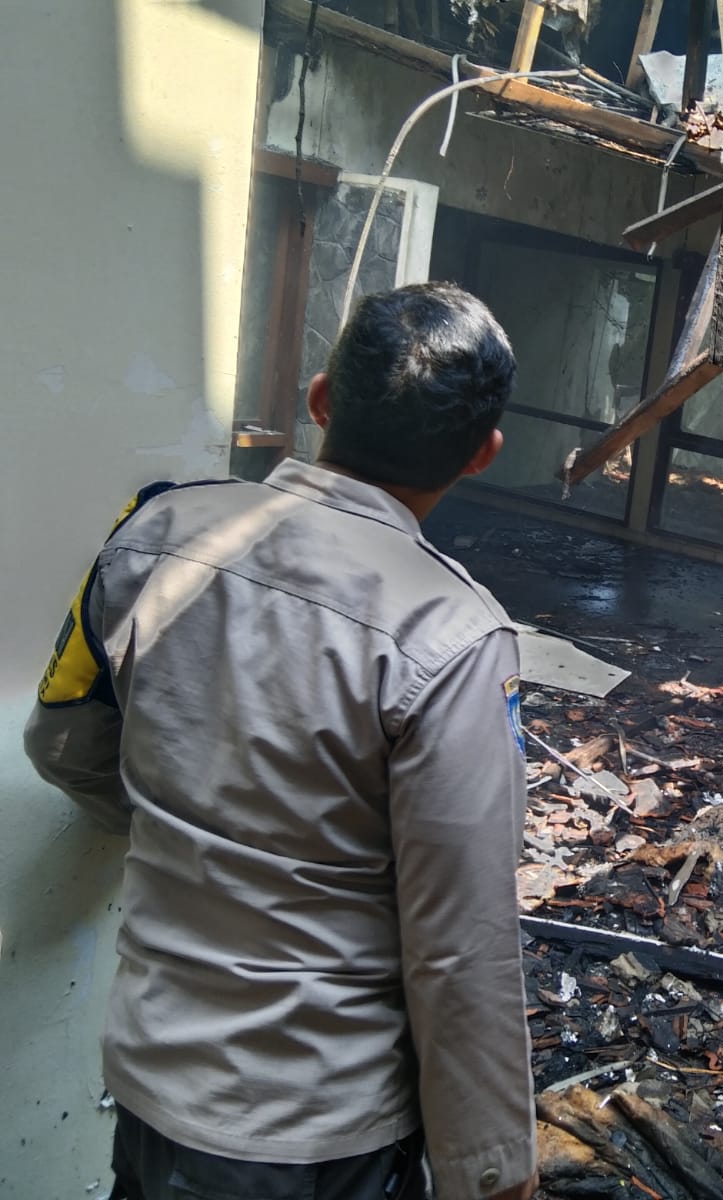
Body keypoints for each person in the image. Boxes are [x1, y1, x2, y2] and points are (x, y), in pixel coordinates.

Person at [25, 282, 539, 1200]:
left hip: (148, 1084)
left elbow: (62, 742)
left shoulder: (149, 533)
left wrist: (186, 836)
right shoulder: (452, 634)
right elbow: (462, 946)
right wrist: (490, 1173)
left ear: (321, 400)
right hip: (318, 1136)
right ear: (482, 453)